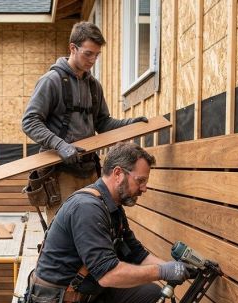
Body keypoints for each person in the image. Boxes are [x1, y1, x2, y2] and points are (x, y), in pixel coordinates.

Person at [6, 142, 192, 303]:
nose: (144, 187)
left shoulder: (113, 209)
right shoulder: (88, 208)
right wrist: (163, 269)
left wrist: (176, 270)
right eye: (140, 180)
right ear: (118, 174)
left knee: (150, 294)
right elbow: (109, 275)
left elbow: (135, 253)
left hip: (90, 299)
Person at [22, 21, 147, 222]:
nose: (92, 60)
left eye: (96, 55)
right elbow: (30, 121)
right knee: (64, 230)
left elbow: (103, 123)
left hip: (89, 169)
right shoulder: (51, 80)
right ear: (73, 48)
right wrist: (60, 146)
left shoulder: (94, 86)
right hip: (59, 171)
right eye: (88, 53)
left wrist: (131, 123)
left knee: (93, 224)